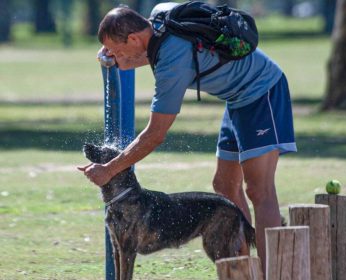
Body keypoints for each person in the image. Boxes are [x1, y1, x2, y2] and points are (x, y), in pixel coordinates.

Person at [78, 4, 297, 272]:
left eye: (118, 49)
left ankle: (274, 272)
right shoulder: (158, 19)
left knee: (259, 190)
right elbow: (145, 52)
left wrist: (110, 169)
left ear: (134, 38)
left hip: (262, 91)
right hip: (237, 99)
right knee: (225, 185)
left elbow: (155, 135)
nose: (115, 56)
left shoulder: (172, 62)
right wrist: (121, 55)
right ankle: (242, 272)